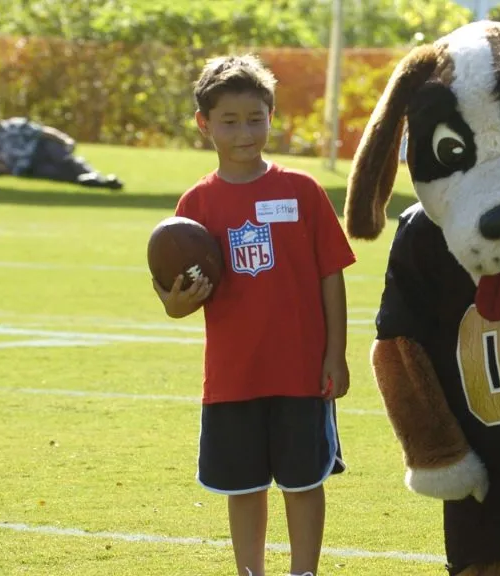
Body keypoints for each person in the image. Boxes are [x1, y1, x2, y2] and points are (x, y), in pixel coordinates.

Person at [151, 54, 356, 576]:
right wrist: (177, 303)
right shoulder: (194, 205)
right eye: (229, 121)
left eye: (255, 118)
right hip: (233, 375)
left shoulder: (302, 191)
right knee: (242, 487)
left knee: (304, 483)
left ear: (271, 115)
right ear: (204, 124)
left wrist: (337, 353)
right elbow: (174, 300)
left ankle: (303, 572)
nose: (245, 131)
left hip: (303, 371)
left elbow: (331, 275)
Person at [0, 99, 123, 190]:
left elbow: (42, 132)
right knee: (64, 176)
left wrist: (64, 139)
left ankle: (97, 176)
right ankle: (98, 183)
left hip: (40, 149)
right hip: (27, 167)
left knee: (67, 160)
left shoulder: (13, 125)